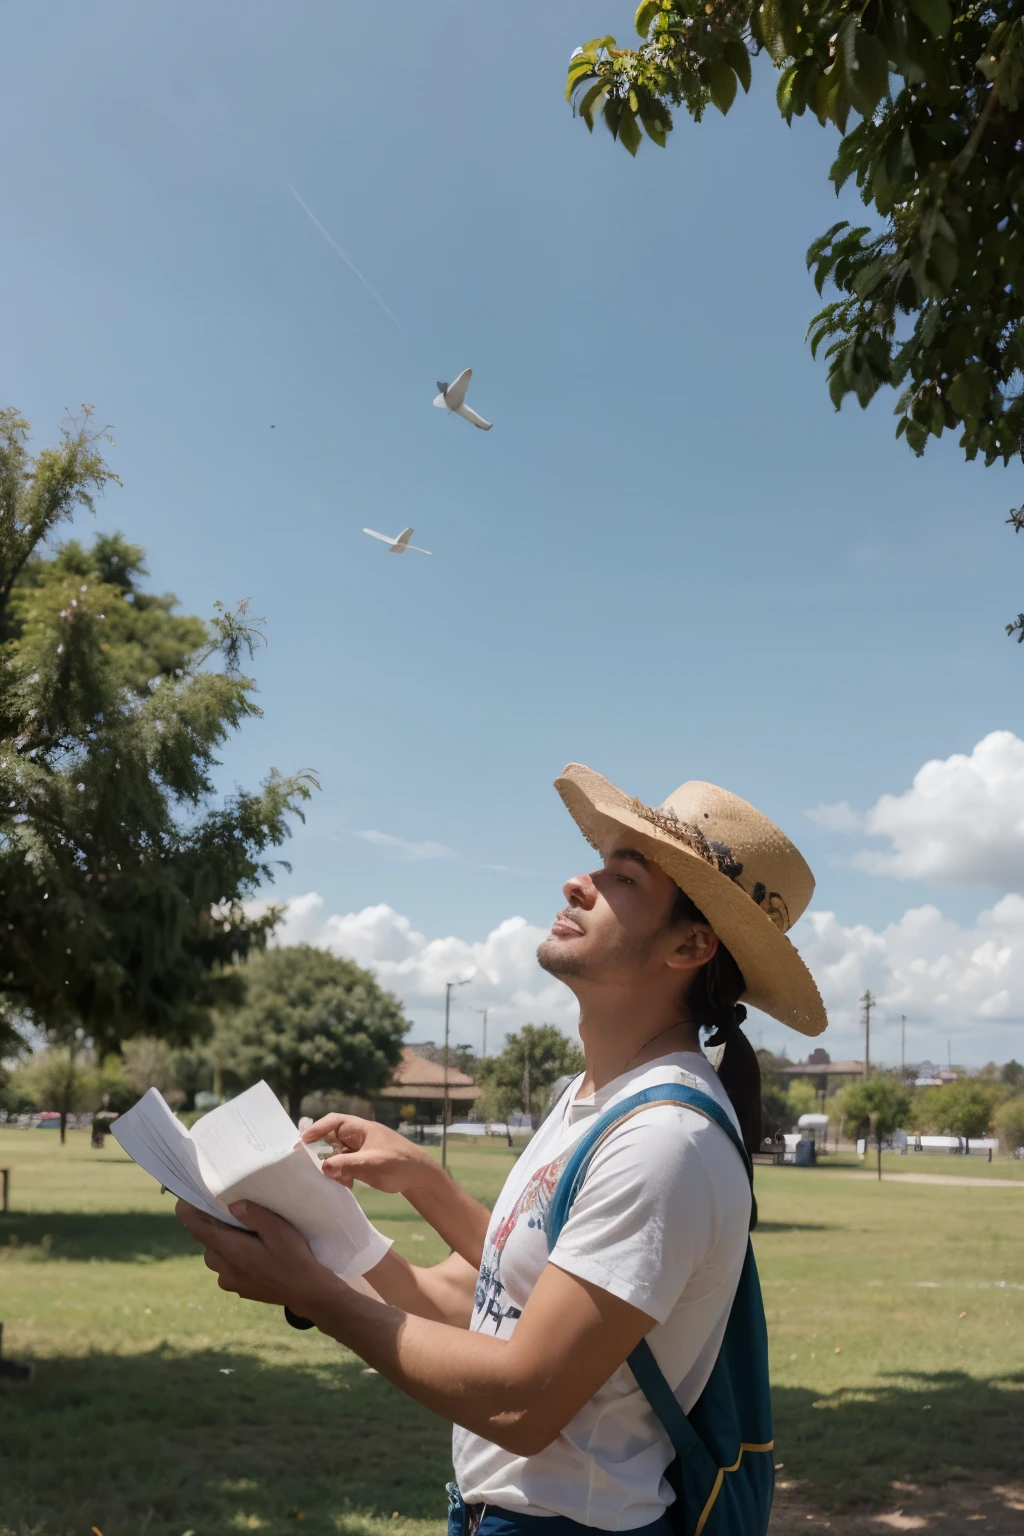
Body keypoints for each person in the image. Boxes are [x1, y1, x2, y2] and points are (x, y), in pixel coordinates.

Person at [177, 763, 826, 1535]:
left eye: (621, 876)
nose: (576, 883)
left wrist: (317, 1296)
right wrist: (329, 1231)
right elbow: (473, 1305)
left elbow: (523, 1400)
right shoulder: (589, 1101)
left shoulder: (664, 1142)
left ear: (690, 944)